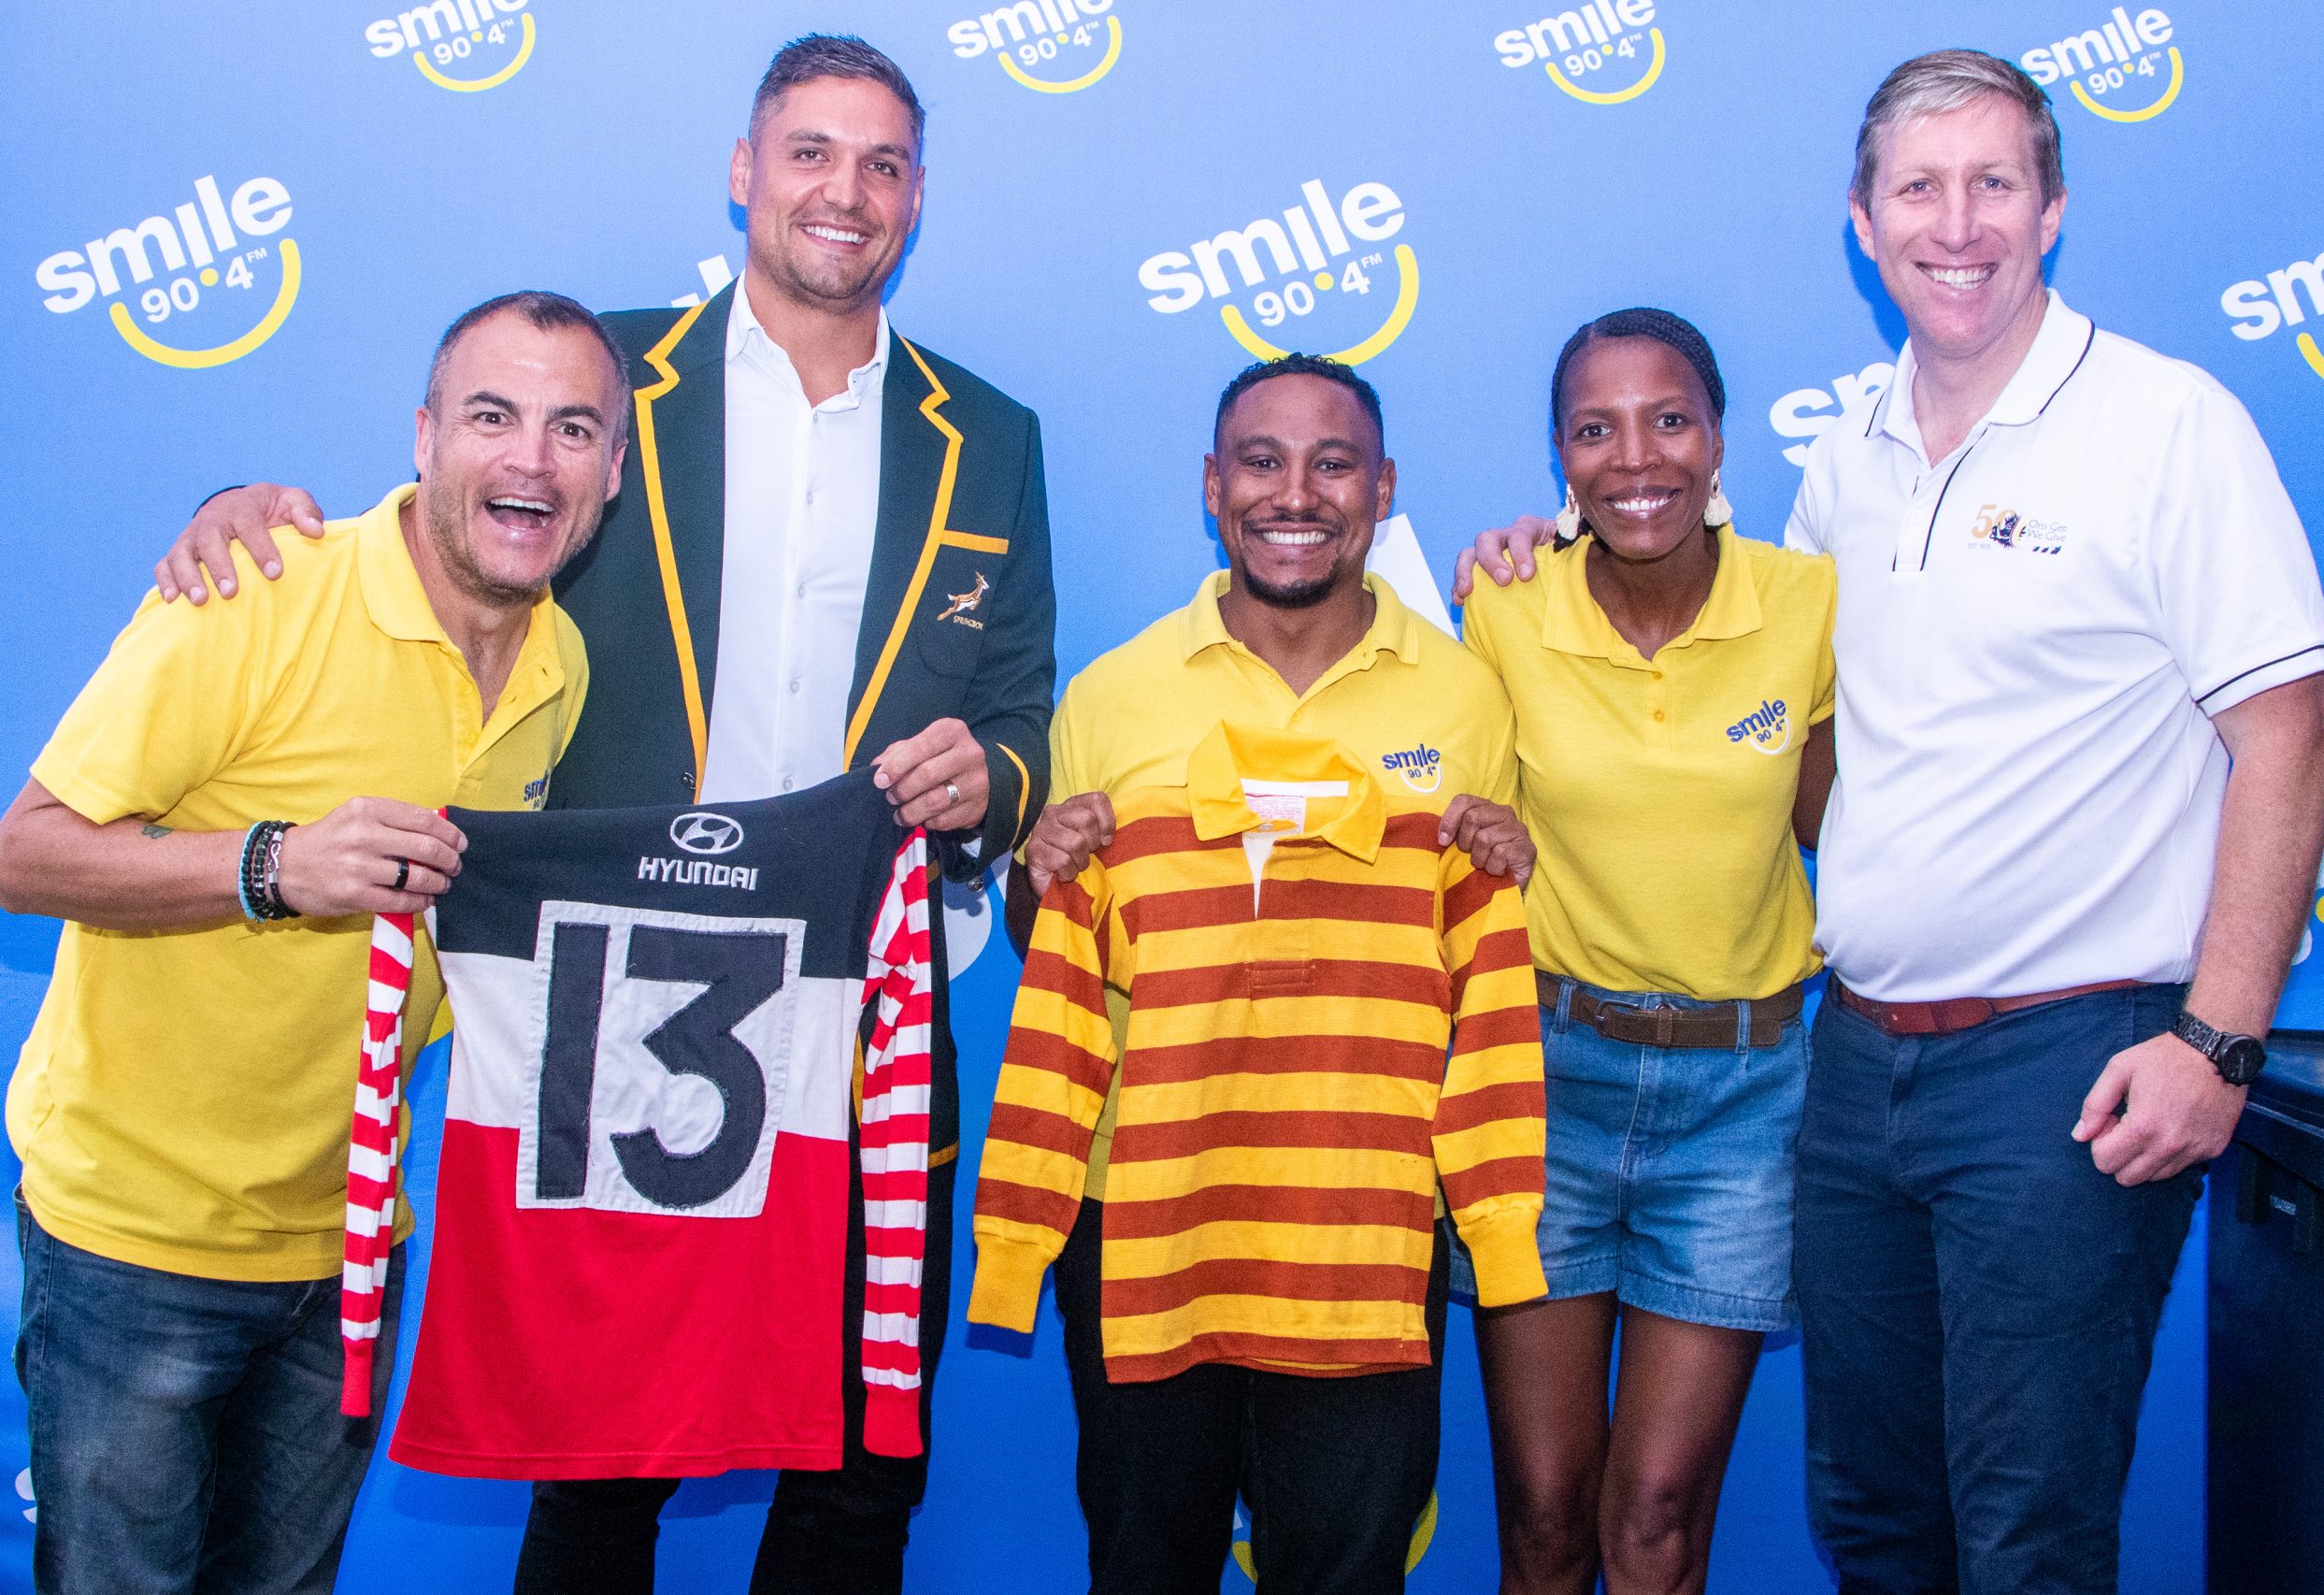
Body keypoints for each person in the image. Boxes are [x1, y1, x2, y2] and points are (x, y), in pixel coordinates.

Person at [148, 34, 1057, 1595]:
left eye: (883, 163)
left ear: (917, 199)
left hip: (865, 1001)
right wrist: (249, 514)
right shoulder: (604, 381)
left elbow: (1024, 705)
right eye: (810, 151)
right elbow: (443, 534)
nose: (845, 191)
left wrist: (994, 779)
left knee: (861, 1466)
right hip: (615, 992)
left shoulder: (993, 433)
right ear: (743, 170)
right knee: (600, 1460)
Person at [1456, 48, 2324, 1595]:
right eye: (1919, 188)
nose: (1958, 222)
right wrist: (1553, 544)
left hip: (2068, 1063)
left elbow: (2289, 737)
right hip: (1853, 1067)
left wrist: (2218, 1042)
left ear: (2051, 209)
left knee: (2025, 1534)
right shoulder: (1845, 455)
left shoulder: (2166, 423)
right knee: (1878, 1525)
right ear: (1864, 226)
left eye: (1994, 182)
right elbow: (1758, 673)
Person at [0, 289, 622, 1595]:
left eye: (573, 429)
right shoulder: (257, 593)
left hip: (349, 1244)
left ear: (611, 473)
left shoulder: (560, 667)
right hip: (136, 1240)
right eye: (493, 416)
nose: (531, 457)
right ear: (424, 437)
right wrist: (273, 865)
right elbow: (24, 854)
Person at [997, 354, 1538, 1594]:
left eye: (1333, 464)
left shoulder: (1466, 698)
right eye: (1261, 461)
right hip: (1144, 1210)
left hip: (1368, 1214)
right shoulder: (1113, 693)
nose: (1295, 493)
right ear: (1212, 485)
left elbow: (1487, 976)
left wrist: (1510, 860)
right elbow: (1053, 947)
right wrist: (1042, 872)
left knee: (1345, 1571)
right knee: (1145, 1564)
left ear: (1383, 491)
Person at [1453, 308, 1835, 1595]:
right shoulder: (1505, 607)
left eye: (1670, 419)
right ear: (1560, 457)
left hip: (1742, 1103)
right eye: (1594, 429)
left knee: (1660, 1518)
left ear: (1719, 438)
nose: (1635, 457)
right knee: (1543, 1514)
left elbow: (1837, 828)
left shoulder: (1808, 602)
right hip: (1546, 1085)